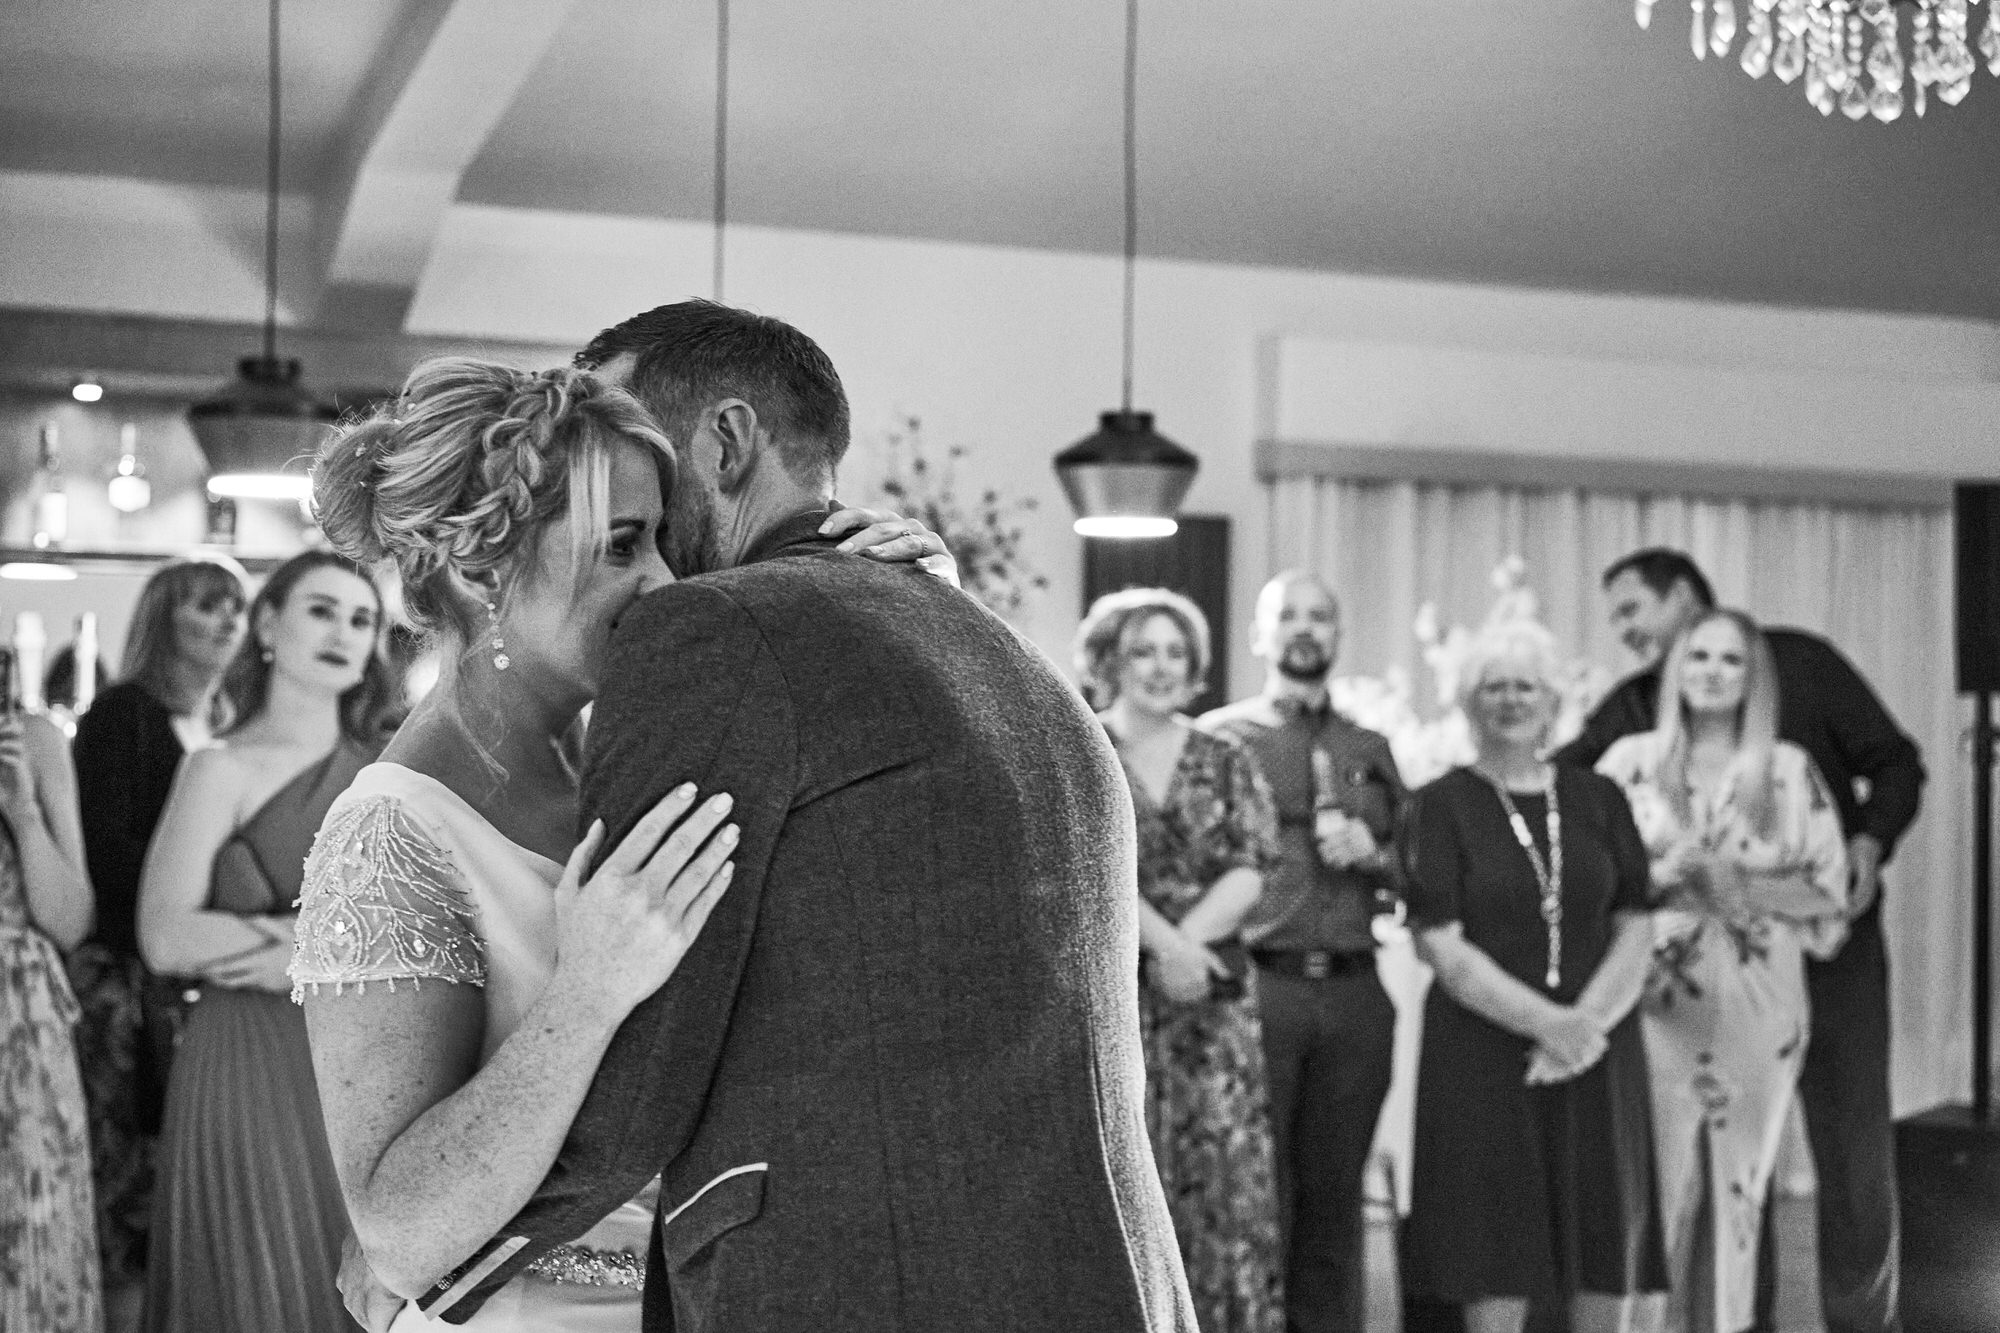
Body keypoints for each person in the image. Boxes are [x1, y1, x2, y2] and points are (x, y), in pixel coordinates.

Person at [401, 300, 1194, 1332]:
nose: (619, 485)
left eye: (638, 447)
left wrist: (435, 1267)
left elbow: (646, 1060)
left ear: (726, 441)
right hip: (1101, 1277)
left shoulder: (712, 630)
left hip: (872, 1283)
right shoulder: (1003, 645)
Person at [291, 354, 964, 1333]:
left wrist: (914, 610)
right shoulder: (390, 830)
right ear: (480, 573)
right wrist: (588, 994)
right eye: (621, 545)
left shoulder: (623, 748)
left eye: (659, 539)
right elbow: (397, 1233)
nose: (663, 579)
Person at [1559, 549, 1923, 1333]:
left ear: (1683, 597)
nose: (1624, 630)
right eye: (1699, 660)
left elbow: (1896, 766)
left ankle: (1859, 1322)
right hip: (1667, 995)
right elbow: (1565, 814)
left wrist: (1866, 841)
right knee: (1676, 1183)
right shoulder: (1630, 727)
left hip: (1812, 968)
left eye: (1631, 609)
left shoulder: (1803, 685)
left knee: (1840, 1154)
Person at [135, 551, 396, 1333]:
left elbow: (411, 933)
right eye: (321, 609)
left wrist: (294, 949)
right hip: (242, 1054)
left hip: (359, 1058)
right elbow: (165, 933)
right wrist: (314, 945)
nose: (343, 632)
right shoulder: (218, 767)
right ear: (269, 624)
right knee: (256, 1277)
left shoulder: (390, 772)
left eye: (361, 619)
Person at [1399, 620, 1666, 1333]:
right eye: (1493, 687)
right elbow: (1441, 946)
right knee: (1493, 1242)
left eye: (1526, 686)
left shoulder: (1599, 797)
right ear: (1468, 702)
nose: (1510, 700)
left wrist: (1585, 1028)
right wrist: (1552, 1026)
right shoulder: (1437, 804)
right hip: (1482, 1053)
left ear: (1553, 702)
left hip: (1599, 1046)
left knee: (1605, 1233)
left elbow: (1637, 921)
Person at [1595, 609, 1849, 1333]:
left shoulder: (1790, 771)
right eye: (1698, 656)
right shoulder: (1629, 764)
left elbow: (1829, 893)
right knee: (1647, 1190)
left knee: (1740, 1193)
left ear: (1753, 677)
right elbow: (1582, 880)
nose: (1712, 672)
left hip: (1760, 1004)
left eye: (1731, 659)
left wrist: (1741, 886)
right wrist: (1658, 877)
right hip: (1649, 1001)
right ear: (1675, 671)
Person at [1078, 587, 1285, 1333]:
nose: (1161, 667)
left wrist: (1186, 949)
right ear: (1110, 660)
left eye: (1175, 652)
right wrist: (1165, 947)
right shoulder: (1081, 744)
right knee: (1128, 1171)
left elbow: (1254, 866)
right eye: (1143, 651)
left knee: (1225, 1182)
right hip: (1113, 998)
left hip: (1213, 1004)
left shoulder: (1227, 757)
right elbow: (1080, 863)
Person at [1200, 571, 1403, 1333]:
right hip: (1261, 986)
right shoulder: (1218, 739)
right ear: (1260, 634)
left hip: (1355, 995)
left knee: (1336, 1195)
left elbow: (1422, 871)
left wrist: (1375, 852)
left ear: (1339, 634)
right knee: (1254, 1189)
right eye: (1288, 615)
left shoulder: (1371, 748)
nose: (1304, 628)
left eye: (1320, 615)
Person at [67, 554, 249, 1298]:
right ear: (163, 618)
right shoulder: (126, 714)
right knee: (125, 1186)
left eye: (236, 606)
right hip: (124, 981)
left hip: (193, 979)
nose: (227, 620)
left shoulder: (227, 725)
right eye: (207, 604)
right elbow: (108, 853)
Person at [0, 695, 101, 1332]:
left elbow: (70, 922)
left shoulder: (31, 739)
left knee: (33, 1223)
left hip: (19, 1023)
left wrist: (24, 814)